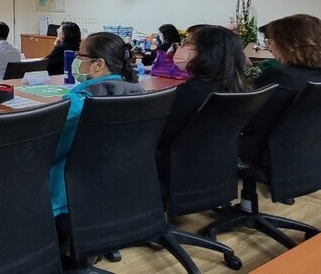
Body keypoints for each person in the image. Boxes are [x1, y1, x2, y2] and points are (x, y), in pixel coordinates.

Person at [50, 32, 142, 218]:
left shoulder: (77, 102)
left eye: (80, 55)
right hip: (120, 185)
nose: (76, 59)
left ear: (98, 64)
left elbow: (51, 148)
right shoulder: (140, 95)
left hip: (66, 194)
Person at [239, 14, 321, 166]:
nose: (269, 46)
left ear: (289, 43)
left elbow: (247, 118)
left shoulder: (280, 77)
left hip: (269, 152)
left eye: (271, 41)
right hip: (315, 148)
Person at [157, 26, 251, 166]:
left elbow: (162, 135)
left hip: (178, 166)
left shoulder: (189, 93)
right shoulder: (241, 88)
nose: (181, 48)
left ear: (207, 52)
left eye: (187, 44)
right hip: (220, 167)